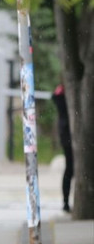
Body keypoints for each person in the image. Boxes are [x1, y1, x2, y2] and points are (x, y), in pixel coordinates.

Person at [51, 84, 73, 212]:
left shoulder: (62, 93)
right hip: (68, 135)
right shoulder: (63, 94)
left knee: (70, 169)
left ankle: (66, 201)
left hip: (67, 135)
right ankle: (65, 201)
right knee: (70, 169)